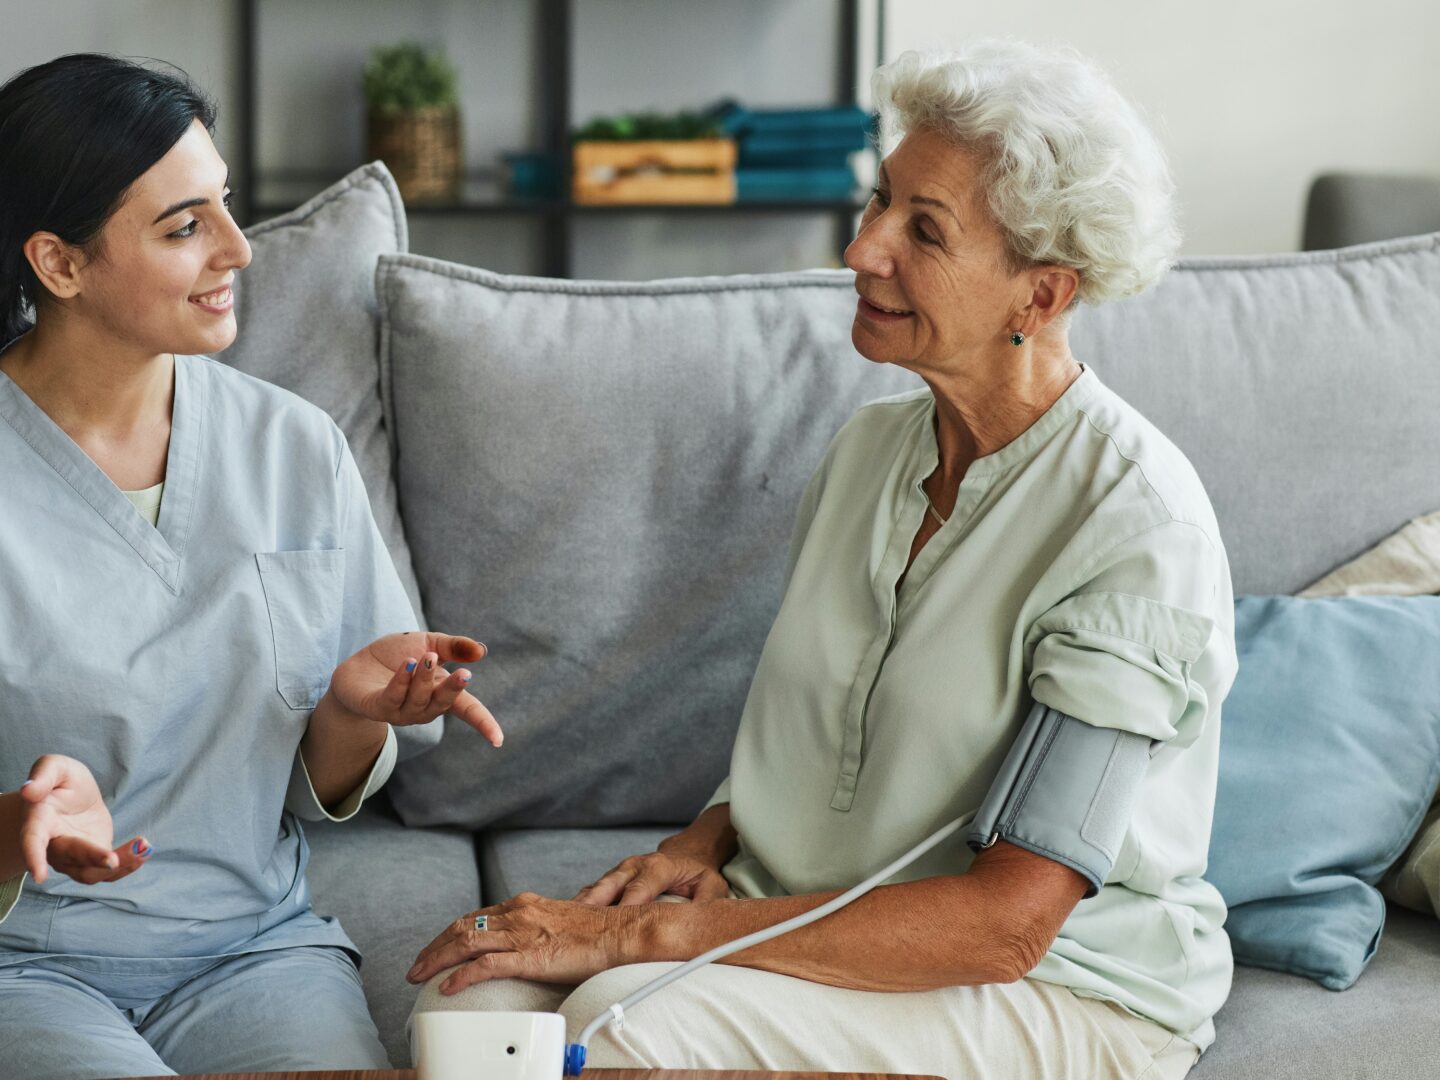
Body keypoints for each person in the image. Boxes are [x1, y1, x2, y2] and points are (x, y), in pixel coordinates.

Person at [409, 39, 1233, 1080]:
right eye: (880, 202)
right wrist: (703, 844)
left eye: (923, 232)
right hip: (809, 922)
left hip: (1060, 990)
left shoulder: (1133, 526)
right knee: (468, 1012)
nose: (863, 250)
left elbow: (1006, 925)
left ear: (1041, 296)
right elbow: (822, 753)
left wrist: (647, 937)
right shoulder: (869, 456)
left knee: (615, 1023)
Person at [0, 54, 499, 1079]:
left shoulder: (295, 447)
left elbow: (315, 779)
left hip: (246, 953)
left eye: (225, 206)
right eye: (185, 226)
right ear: (59, 264)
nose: (238, 249)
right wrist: (18, 822)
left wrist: (357, 710)